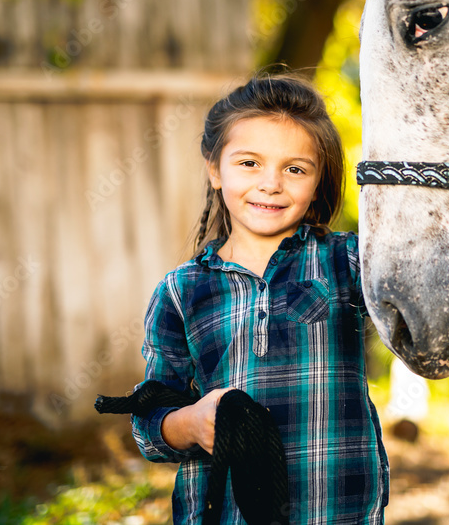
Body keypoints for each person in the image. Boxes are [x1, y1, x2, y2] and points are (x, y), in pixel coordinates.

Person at [131, 73, 389, 525]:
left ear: (317, 181)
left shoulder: (350, 261)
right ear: (215, 169)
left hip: (340, 512)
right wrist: (192, 423)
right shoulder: (182, 291)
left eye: (295, 169)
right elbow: (149, 424)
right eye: (249, 163)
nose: (271, 183)